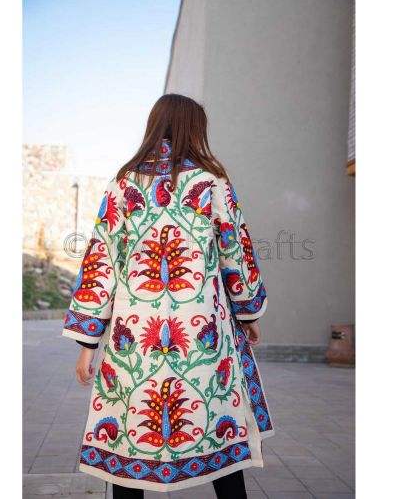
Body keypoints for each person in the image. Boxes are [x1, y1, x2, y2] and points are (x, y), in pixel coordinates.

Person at [62, 94, 274, 498]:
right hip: (201, 335)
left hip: (134, 339)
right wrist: (248, 313)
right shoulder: (211, 182)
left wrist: (88, 342)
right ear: (195, 130)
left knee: (128, 436)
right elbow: (235, 251)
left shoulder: (123, 184)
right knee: (220, 424)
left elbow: (101, 261)